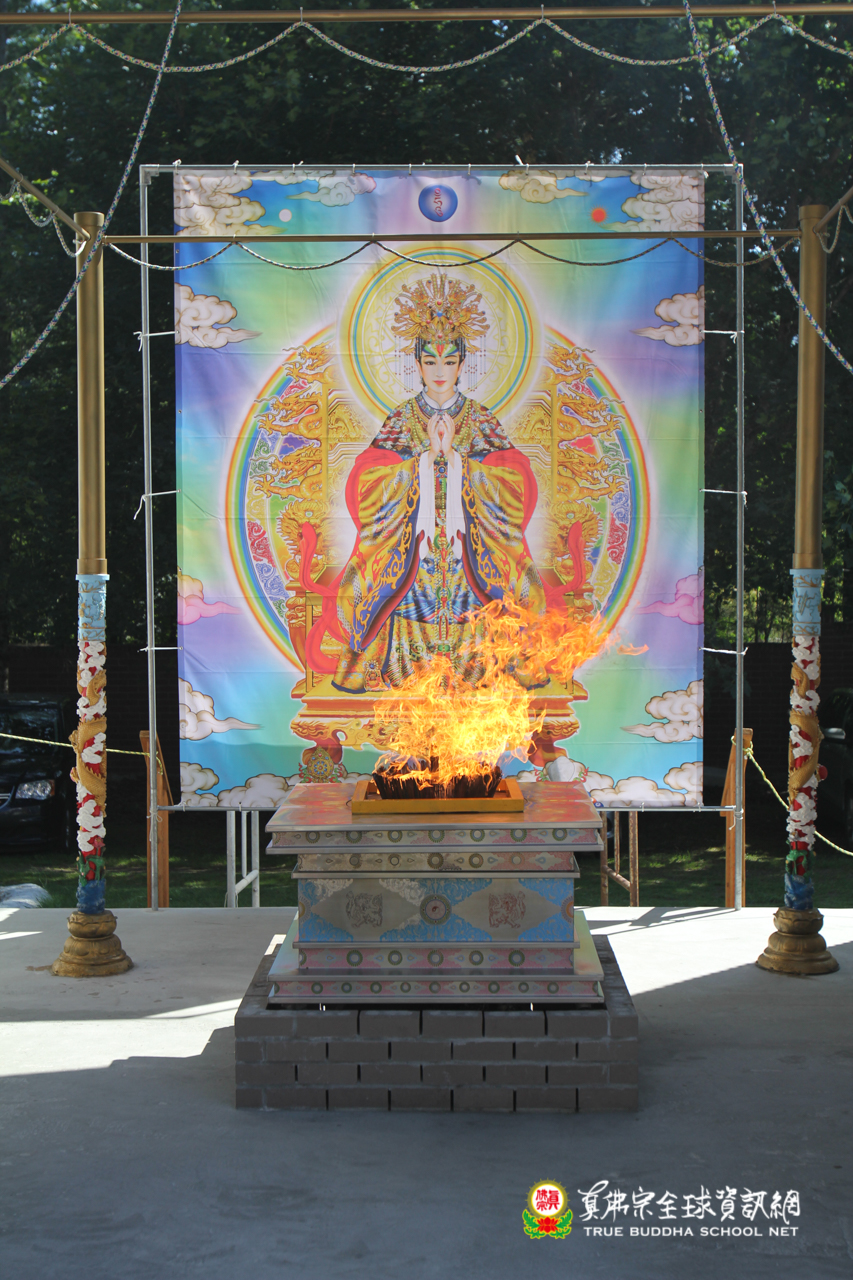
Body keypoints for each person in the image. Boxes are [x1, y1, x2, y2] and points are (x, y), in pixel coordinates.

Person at [299, 272, 547, 692]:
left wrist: (461, 463)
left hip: (471, 542)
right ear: (417, 364)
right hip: (412, 541)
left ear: (462, 364)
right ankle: (382, 665)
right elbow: (367, 481)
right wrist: (422, 462)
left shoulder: (479, 418)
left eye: (449, 362)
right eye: (430, 362)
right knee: (380, 581)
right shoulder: (402, 418)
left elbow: (515, 480)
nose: (440, 371)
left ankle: (497, 665)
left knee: (503, 582)